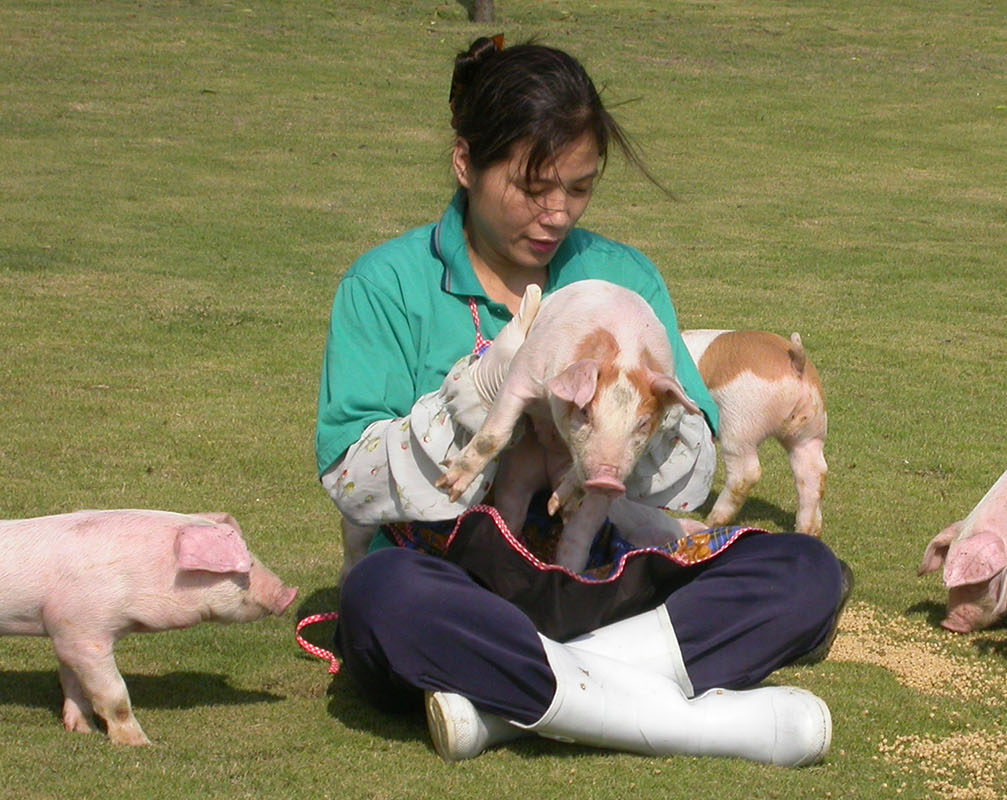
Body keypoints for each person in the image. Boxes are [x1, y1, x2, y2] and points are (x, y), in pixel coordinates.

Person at [314, 35, 846, 767]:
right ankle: (679, 715)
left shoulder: (622, 278)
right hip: (459, 584)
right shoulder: (385, 285)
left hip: (600, 572)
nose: (557, 213)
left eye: (580, 187)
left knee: (806, 575)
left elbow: (691, 479)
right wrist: (480, 393)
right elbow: (350, 478)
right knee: (383, 599)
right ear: (465, 161)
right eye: (534, 186)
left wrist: (630, 429)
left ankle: (508, 708)